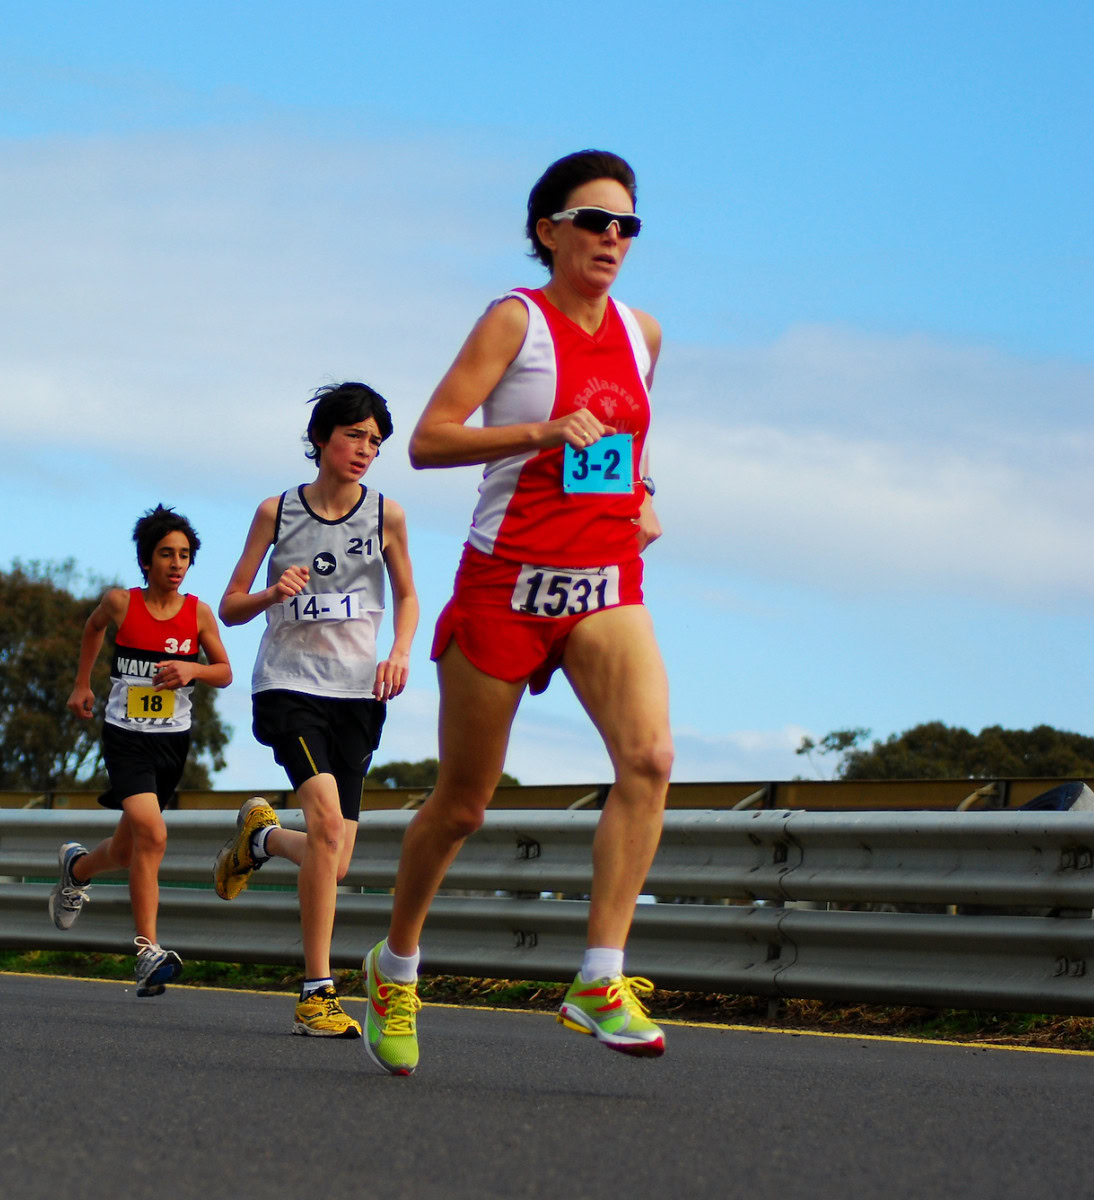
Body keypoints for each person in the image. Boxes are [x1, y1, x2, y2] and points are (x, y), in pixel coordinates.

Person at [361, 150, 671, 1075]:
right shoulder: (514, 320)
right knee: (463, 805)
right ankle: (395, 966)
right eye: (593, 221)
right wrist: (539, 431)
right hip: (505, 583)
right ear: (547, 230)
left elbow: (626, 442)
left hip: (602, 579)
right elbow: (427, 441)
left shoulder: (643, 334)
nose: (611, 238)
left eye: (626, 225)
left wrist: (644, 493)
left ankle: (598, 978)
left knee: (649, 759)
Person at [213, 382, 419, 1037]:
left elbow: (408, 596)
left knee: (335, 855)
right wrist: (272, 592)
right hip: (289, 686)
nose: (365, 450)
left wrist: (400, 651)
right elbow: (229, 606)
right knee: (327, 824)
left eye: (375, 442)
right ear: (322, 438)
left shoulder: (387, 515)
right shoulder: (276, 512)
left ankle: (261, 839)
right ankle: (315, 993)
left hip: (357, 694)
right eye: (354, 435)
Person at [48, 505, 233, 996]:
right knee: (153, 833)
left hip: (172, 741)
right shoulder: (120, 603)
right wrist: (82, 683)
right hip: (125, 737)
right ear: (146, 560)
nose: (177, 564)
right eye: (167, 554)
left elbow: (224, 671)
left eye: (185, 555)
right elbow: (93, 628)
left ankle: (77, 870)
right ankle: (148, 952)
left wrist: (193, 669)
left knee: (128, 849)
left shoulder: (197, 613)